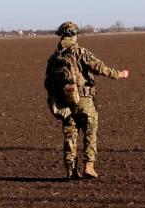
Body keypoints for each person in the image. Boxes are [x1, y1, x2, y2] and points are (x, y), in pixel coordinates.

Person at [44, 21, 129, 179]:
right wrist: (120, 74)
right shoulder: (80, 52)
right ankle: (89, 166)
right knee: (90, 131)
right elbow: (100, 68)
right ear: (74, 34)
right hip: (84, 100)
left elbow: (48, 83)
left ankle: (71, 170)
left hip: (64, 102)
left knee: (70, 134)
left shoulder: (54, 57)